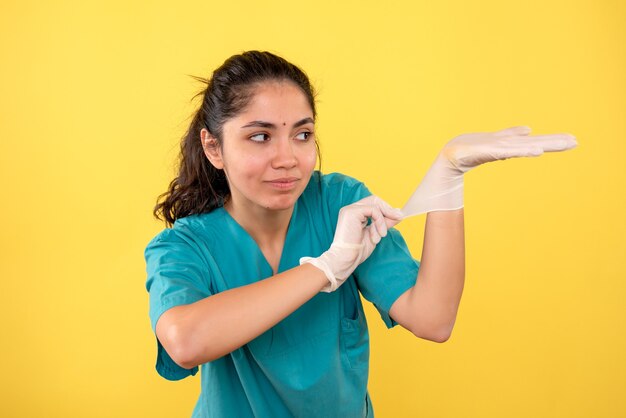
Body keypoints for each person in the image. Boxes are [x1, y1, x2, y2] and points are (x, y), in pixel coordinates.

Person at [145, 50, 577, 417]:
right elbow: (186, 340)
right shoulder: (185, 246)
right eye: (260, 137)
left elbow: (432, 318)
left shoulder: (339, 203)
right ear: (213, 147)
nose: (287, 158)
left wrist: (449, 177)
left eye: (303, 135)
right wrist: (328, 266)